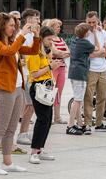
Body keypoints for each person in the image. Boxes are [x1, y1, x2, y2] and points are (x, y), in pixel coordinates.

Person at [0, 13, 40, 175]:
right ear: (2, 26)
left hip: (17, 88)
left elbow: (33, 51)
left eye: (14, 26)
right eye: (11, 25)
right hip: (5, 89)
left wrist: (36, 37)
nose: (14, 28)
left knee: (11, 129)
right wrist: (22, 34)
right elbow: (9, 52)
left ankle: (7, 162)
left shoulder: (11, 42)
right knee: (0, 129)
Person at [26, 26, 62, 163]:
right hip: (38, 87)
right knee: (42, 119)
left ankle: (40, 148)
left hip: (47, 86)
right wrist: (51, 67)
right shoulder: (35, 52)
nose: (51, 42)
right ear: (41, 38)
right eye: (49, 39)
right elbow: (34, 74)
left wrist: (52, 64)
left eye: (53, 39)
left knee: (48, 119)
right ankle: (34, 151)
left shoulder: (46, 51)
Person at [83, 11, 106, 133]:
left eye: (93, 22)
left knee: (103, 96)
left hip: (103, 69)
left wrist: (98, 53)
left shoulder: (103, 32)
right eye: (89, 22)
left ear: (98, 21)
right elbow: (86, 54)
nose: (91, 24)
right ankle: (88, 124)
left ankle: (99, 123)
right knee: (89, 97)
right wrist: (99, 53)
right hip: (91, 69)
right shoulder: (84, 33)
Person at [66, 23, 98, 135]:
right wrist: (94, 35)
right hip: (80, 73)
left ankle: (79, 123)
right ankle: (70, 125)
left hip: (73, 72)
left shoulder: (75, 40)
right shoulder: (85, 42)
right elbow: (97, 48)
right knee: (78, 100)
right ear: (85, 33)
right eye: (88, 31)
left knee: (78, 99)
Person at [15, 9, 39, 150]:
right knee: (29, 105)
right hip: (26, 74)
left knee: (31, 106)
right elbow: (18, 51)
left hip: (32, 73)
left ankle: (24, 132)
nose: (38, 21)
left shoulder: (32, 34)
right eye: (36, 18)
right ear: (29, 20)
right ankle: (22, 133)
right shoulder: (22, 34)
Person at [46, 19, 70, 124]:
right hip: (53, 67)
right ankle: (49, 117)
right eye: (57, 26)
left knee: (59, 92)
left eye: (59, 26)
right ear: (51, 27)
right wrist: (62, 53)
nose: (59, 28)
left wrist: (61, 54)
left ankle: (57, 117)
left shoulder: (60, 39)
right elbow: (55, 52)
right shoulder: (50, 40)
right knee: (50, 91)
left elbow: (68, 51)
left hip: (62, 67)